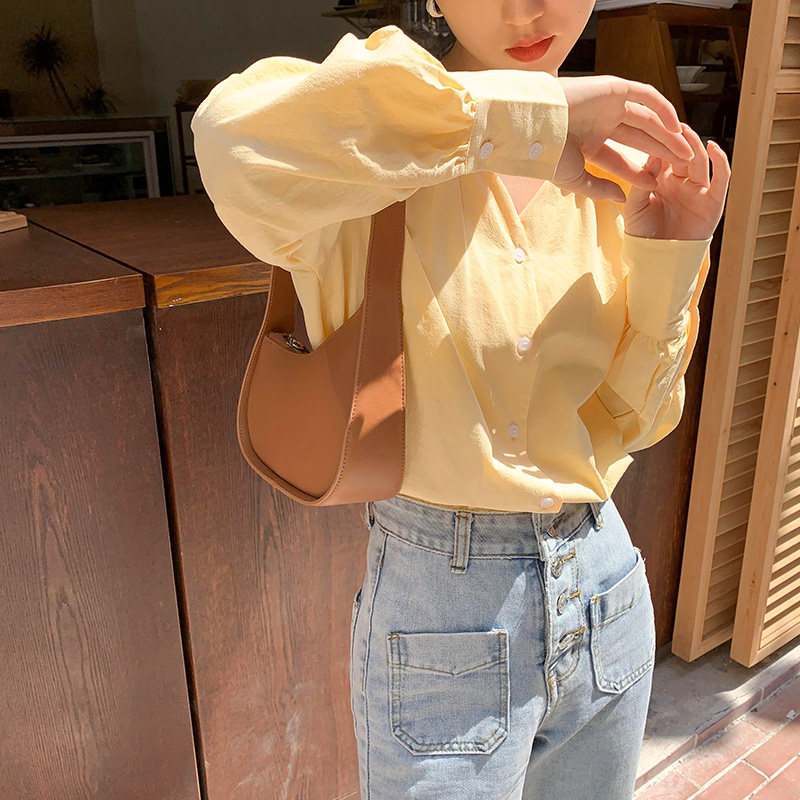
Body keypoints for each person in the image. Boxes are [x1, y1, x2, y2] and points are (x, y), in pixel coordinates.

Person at [190, 1, 730, 797]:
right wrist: (531, 119)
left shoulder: (623, 160)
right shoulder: (373, 123)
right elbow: (228, 139)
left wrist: (670, 253)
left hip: (605, 582)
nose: (526, 9)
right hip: (442, 606)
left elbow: (634, 421)